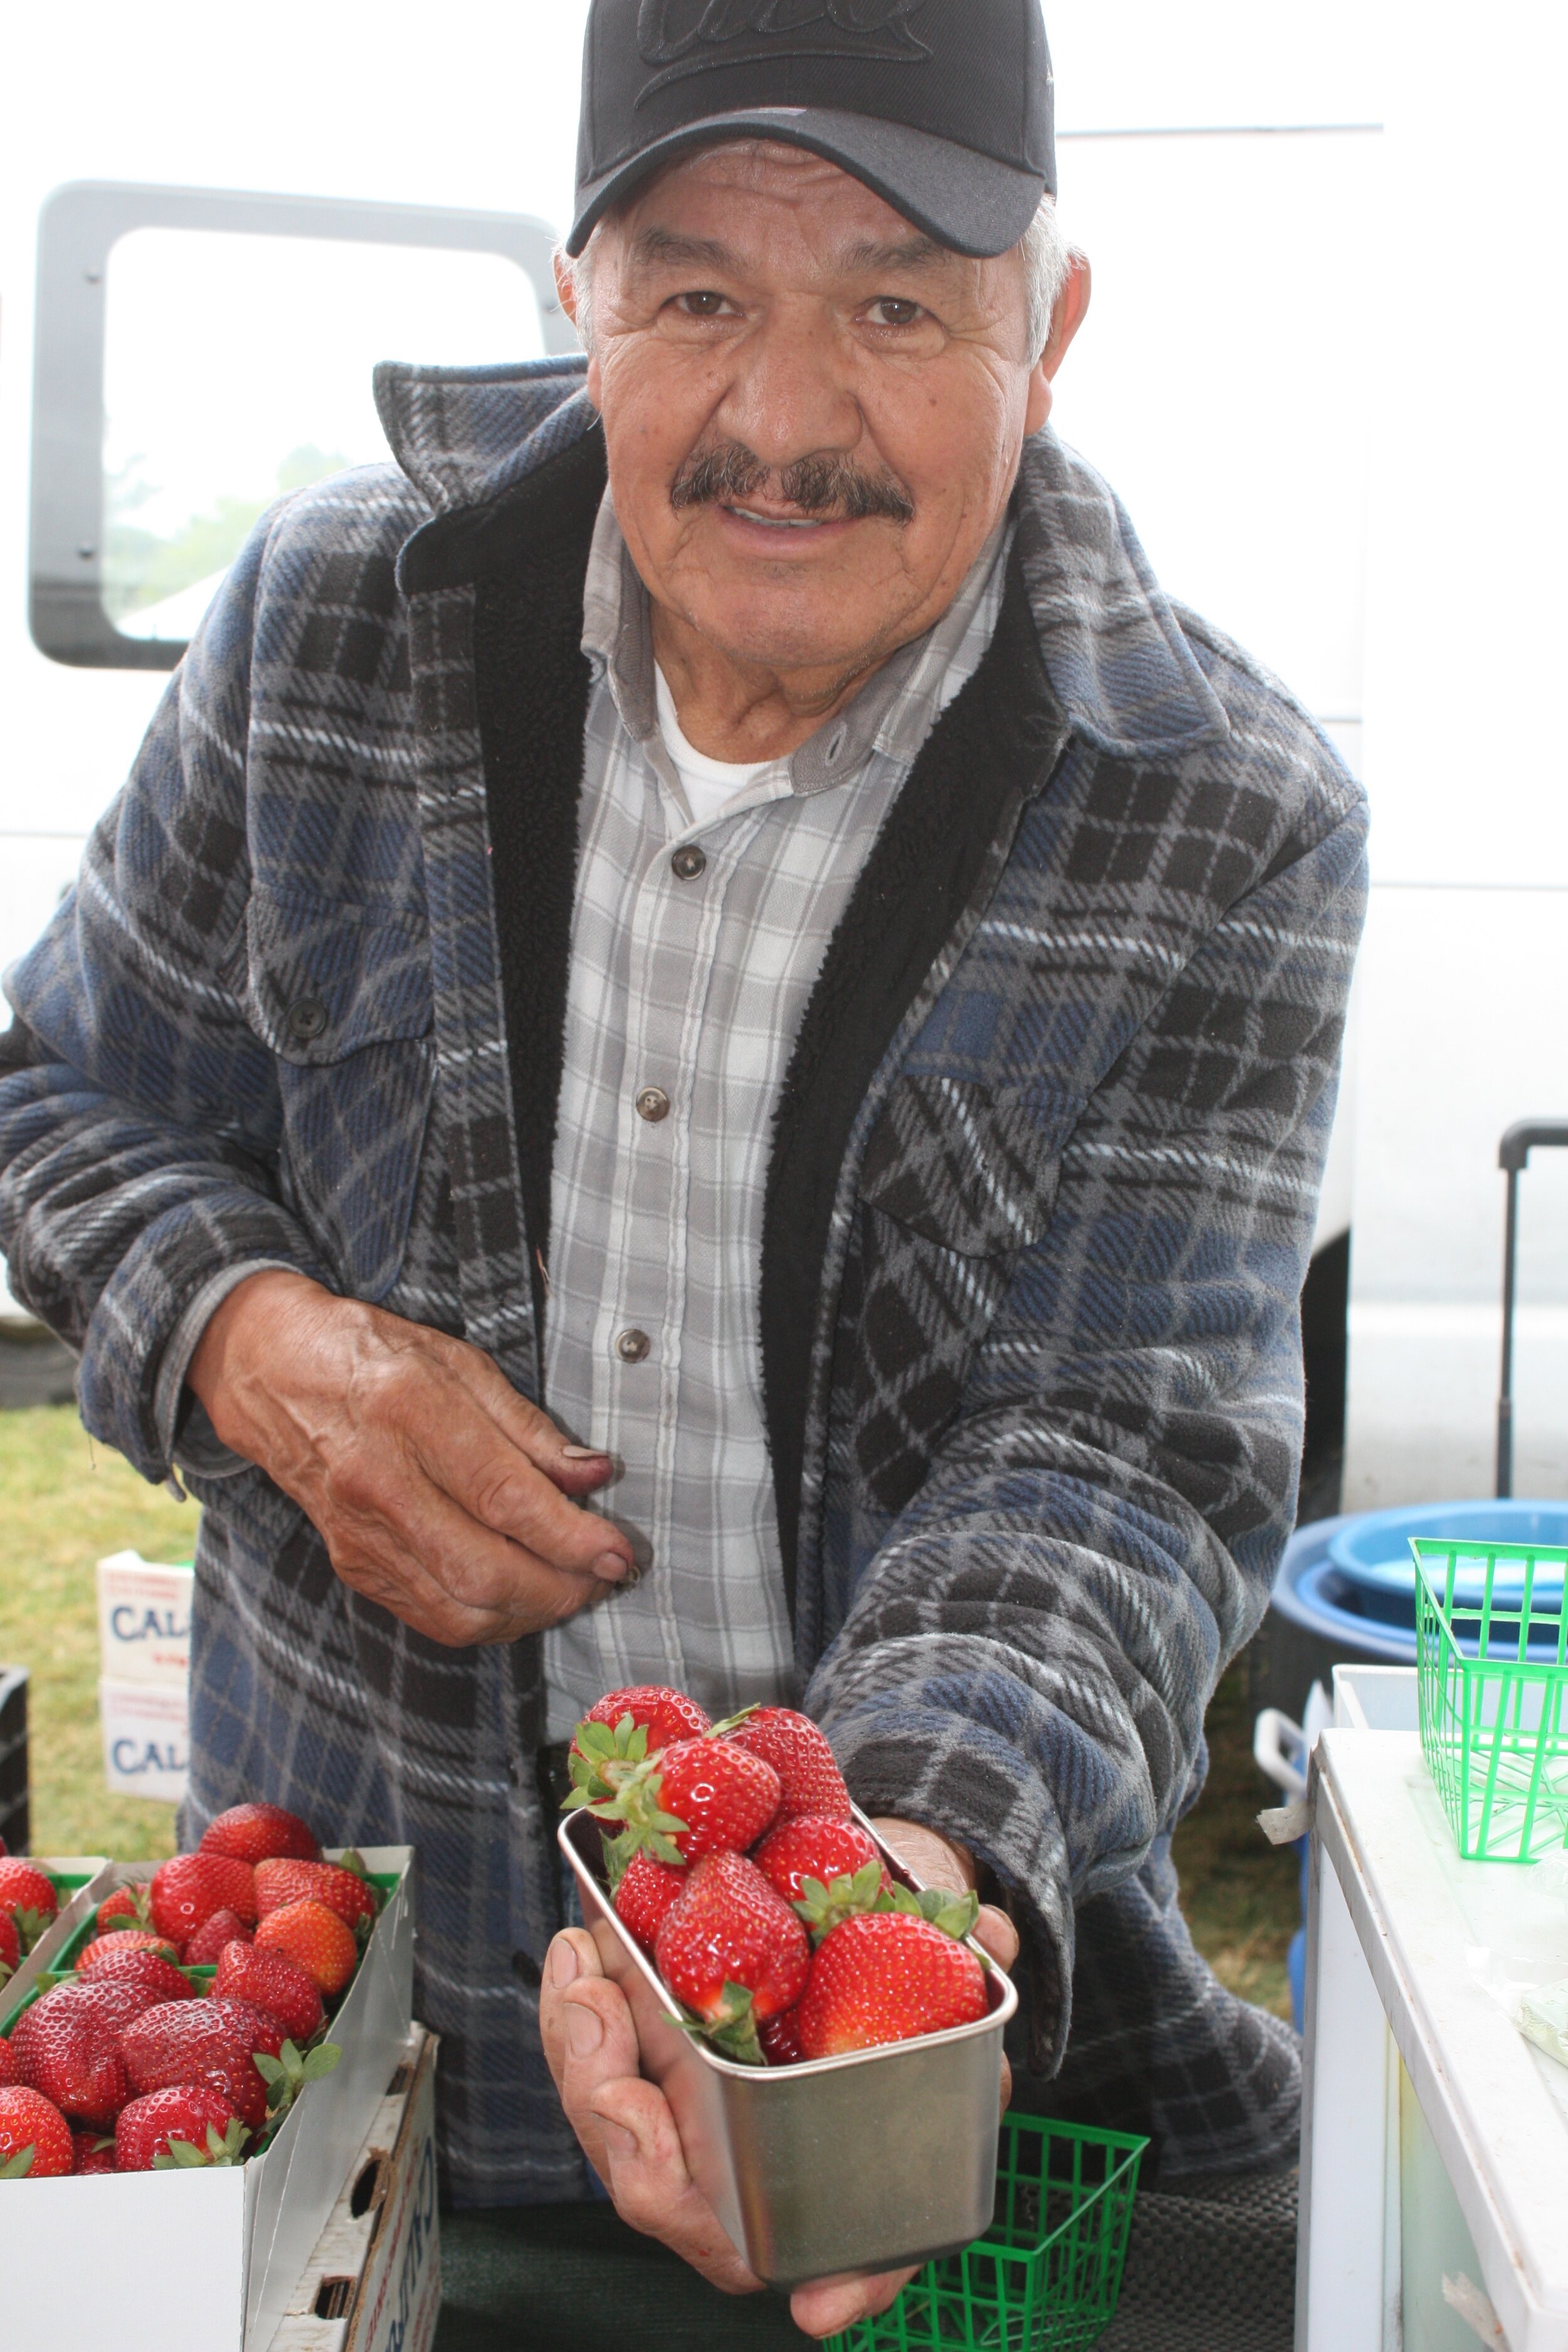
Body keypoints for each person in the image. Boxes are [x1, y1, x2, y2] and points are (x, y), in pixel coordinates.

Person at [0, 0, 1365, 2336]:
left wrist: (878, 1888)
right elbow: (55, 1104)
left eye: (896, 307)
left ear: (1050, 329)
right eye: (698, 292)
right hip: (374, 2007)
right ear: (576, 295)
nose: (782, 422)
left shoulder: (1216, 805)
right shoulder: (332, 619)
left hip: (927, 2066)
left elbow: (1124, 1448)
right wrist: (254, 1339)